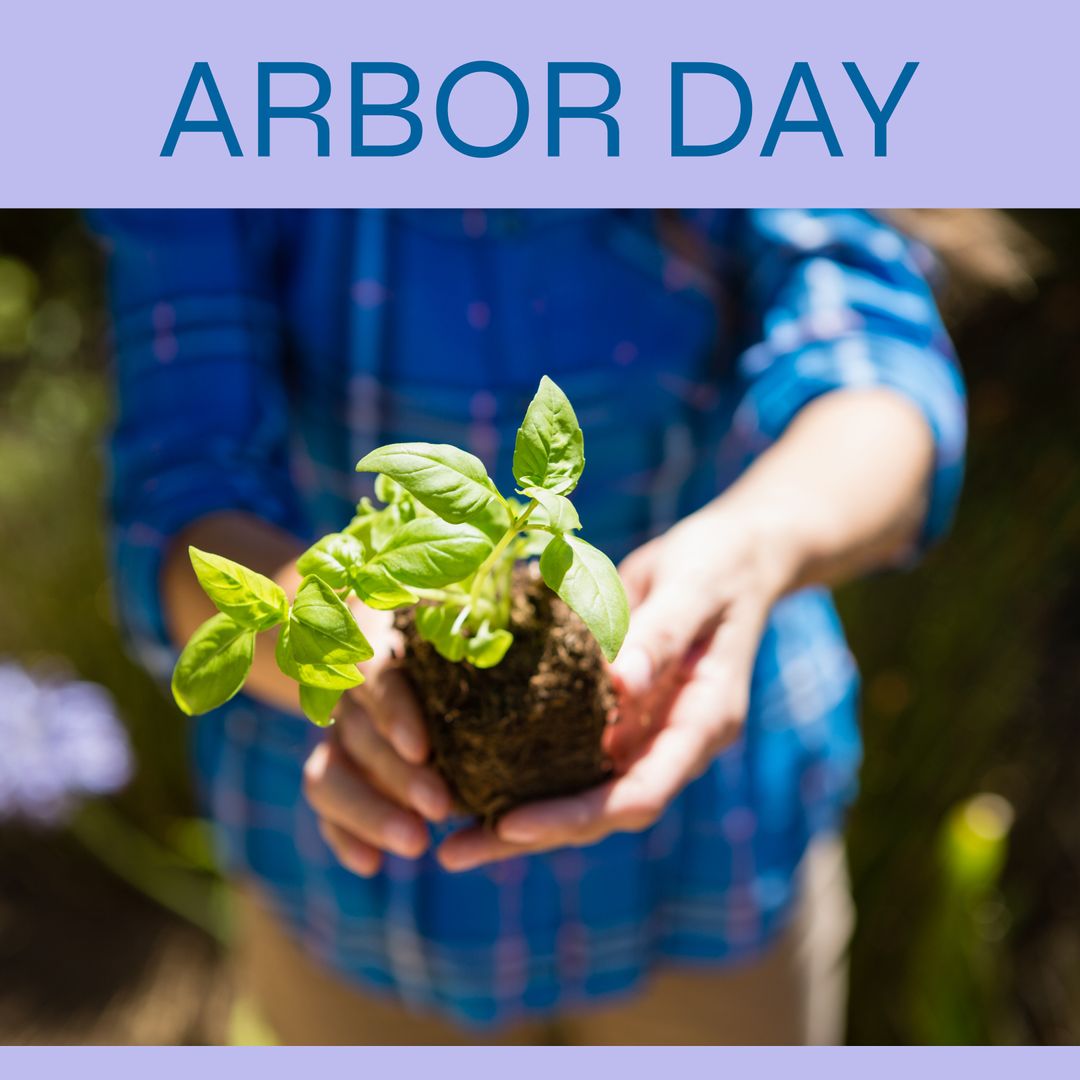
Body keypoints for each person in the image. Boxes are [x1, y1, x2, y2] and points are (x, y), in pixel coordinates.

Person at [96, 209, 966, 1044]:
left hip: (715, 849)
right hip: (353, 898)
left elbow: (876, 358)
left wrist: (756, 543)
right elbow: (182, 481)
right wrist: (326, 640)